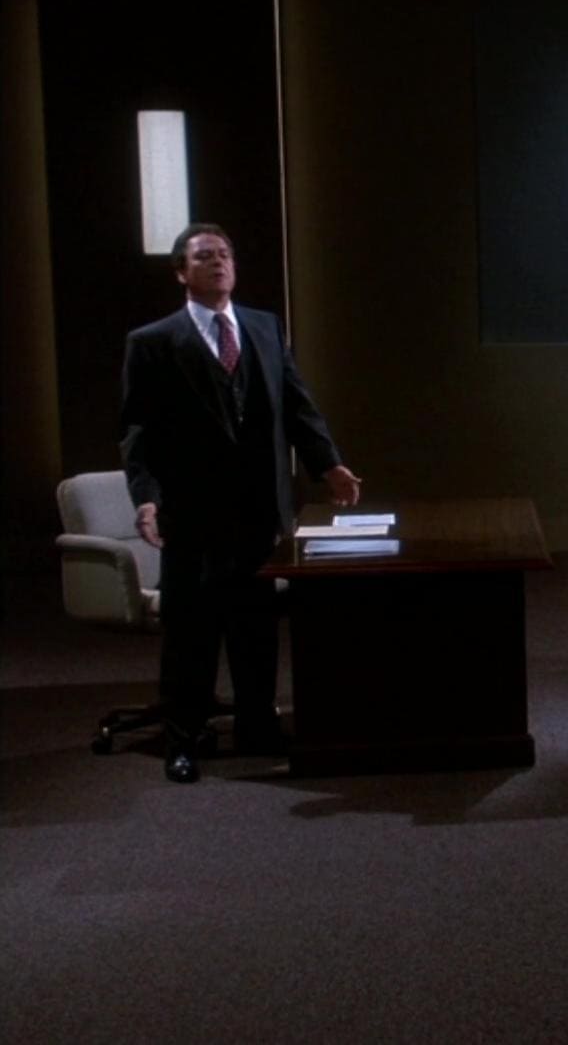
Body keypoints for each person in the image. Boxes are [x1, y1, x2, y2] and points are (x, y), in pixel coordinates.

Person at [121, 223, 362, 784]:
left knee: (255, 628)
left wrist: (328, 465)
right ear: (181, 272)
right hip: (192, 514)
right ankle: (184, 738)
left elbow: (296, 405)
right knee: (192, 634)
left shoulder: (263, 327)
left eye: (225, 254)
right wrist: (147, 499)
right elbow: (138, 432)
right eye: (205, 256)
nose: (219, 262)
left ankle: (258, 726)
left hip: (258, 511)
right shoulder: (153, 342)